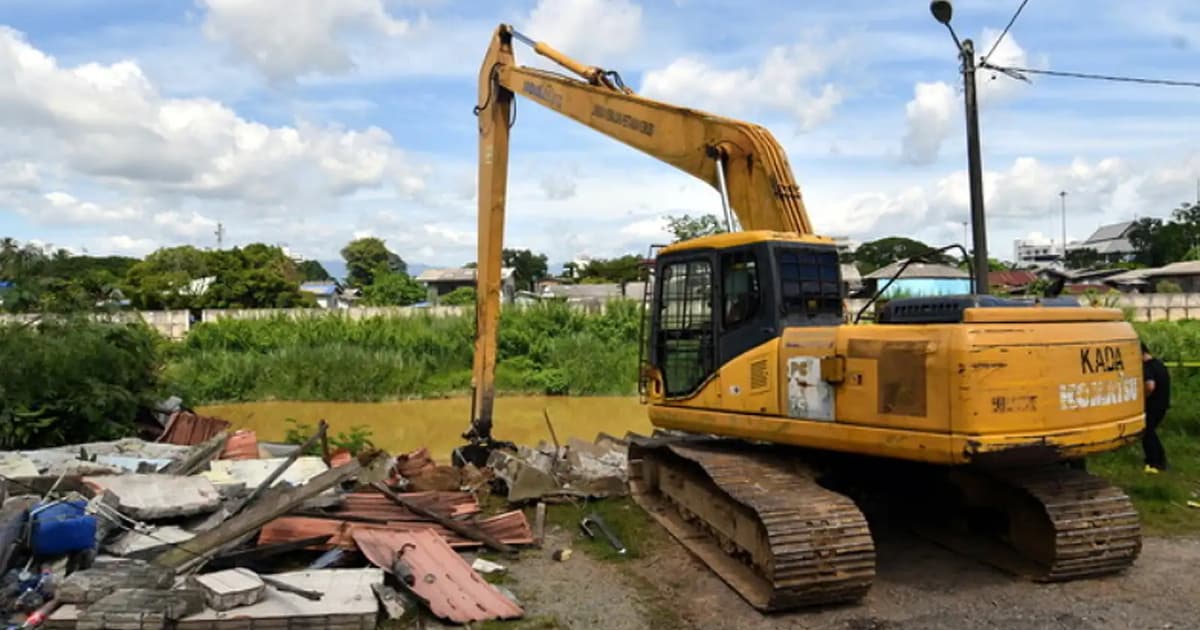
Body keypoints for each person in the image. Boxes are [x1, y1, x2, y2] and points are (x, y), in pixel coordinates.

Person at [1141, 342, 1170, 473]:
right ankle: (1159, 459)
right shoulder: (1159, 364)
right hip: (1162, 403)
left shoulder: (1147, 367)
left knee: (1147, 433)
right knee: (1150, 432)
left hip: (1152, 405)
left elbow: (1150, 385)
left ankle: (1155, 462)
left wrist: (1144, 397)